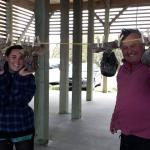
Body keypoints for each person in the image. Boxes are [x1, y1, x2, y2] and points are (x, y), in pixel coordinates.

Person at [110, 28, 150, 150]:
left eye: (133, 46)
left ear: (143, 46)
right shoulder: (122, 70)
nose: (129, 51)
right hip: (126, 134)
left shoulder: (148, 68)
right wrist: (115, 118)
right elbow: (121, 98)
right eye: (125, 48)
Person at [0, 45, 36, 150]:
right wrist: (1, 76)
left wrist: (19, 78)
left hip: (22, 125)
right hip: (2, 126)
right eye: (13, 57)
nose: (18, 61)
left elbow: (20, 101)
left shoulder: (29, 77)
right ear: (6, 58)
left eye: (21, 57)